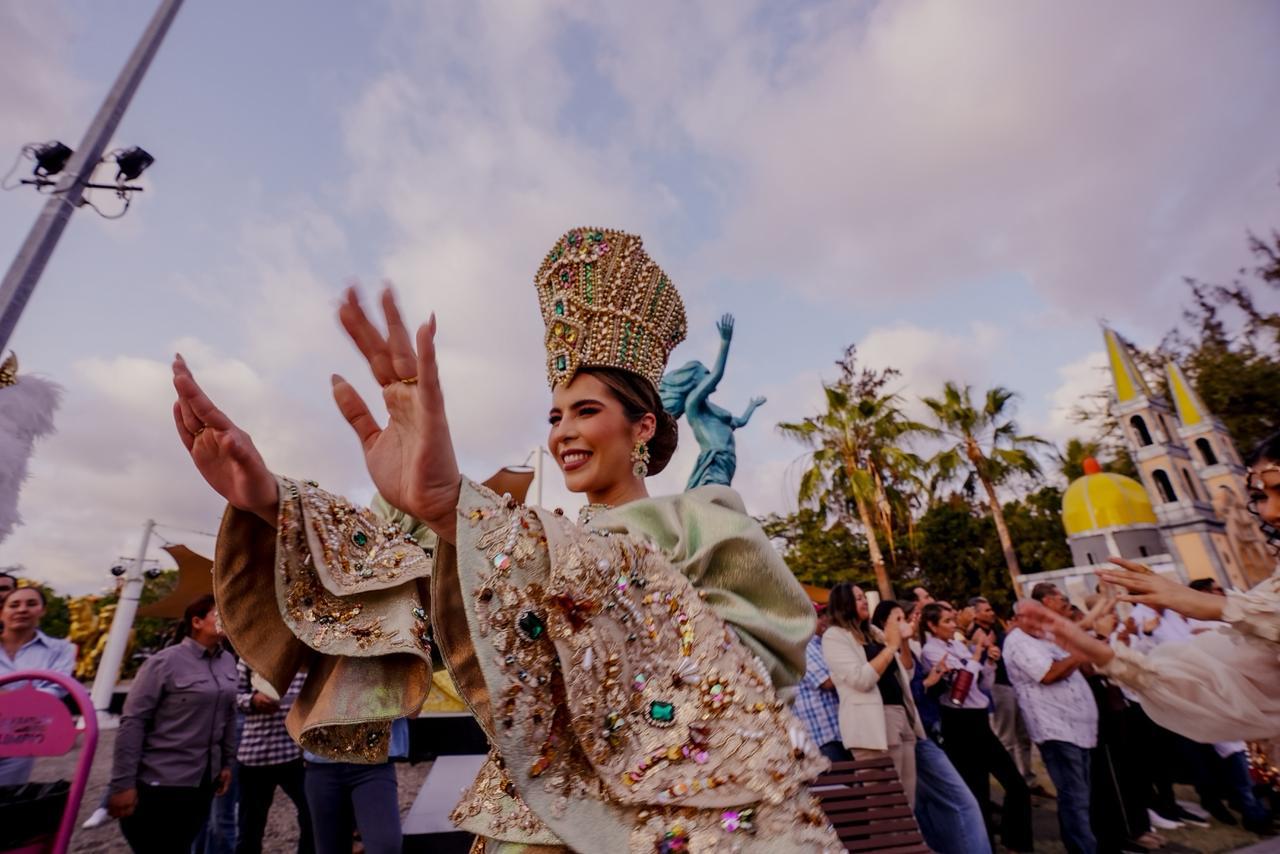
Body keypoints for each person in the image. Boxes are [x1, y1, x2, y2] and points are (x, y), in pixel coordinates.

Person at [172, 227, 840, 852]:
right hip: (524, 824)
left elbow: (754, 664)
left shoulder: (706, 519)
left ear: (643, 427)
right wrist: (275, 502)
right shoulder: (531, 543)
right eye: (555, 415)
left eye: (586, 411)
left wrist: (463, 513)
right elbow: (403, 584)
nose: (564, 432)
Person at [1019, 429, 1280, 746]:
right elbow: (1224, 689)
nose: (1270, 512)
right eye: (1261, 497)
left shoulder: (1253, 607)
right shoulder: (1268, 595)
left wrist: (1215, 606)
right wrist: (1104, 654)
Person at [108, 595, 238, 854]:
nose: (227, 618)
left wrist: (226, 762)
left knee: (183, 843)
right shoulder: (163, 662)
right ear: (197, 622)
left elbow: (229, 716)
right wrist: (123, 784)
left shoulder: (227, 661)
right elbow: (133, 722)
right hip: (161, 781)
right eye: (219, 613)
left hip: (203, 780)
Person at [920, 602, 1033, 851]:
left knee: (1016, 785)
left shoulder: (957, 645)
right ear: (931, 625)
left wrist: (988, 663)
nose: (953, 625)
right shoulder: (931, 651)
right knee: (977, 791)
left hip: (979, 719)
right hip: (959, 723)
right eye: (947, 621)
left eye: (953, 620)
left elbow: (981, 685)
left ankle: (1016, 842)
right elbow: (960, 688)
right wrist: (977, 654)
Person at [1004, 585, 1098, 854]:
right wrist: (1080, 653)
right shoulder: (1018, 642)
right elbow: (1048, 674)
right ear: (1019, 619)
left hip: (1080, 729)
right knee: (1074, 798)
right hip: (1056, 730)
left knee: (1083, 797)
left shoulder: (1048, 638)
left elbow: (1086, 670)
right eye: (1033, 616)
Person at [822, 586, 923, 805]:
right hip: (873, 727)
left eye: (864, 598)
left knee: (907, 803)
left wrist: (903, 642)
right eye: (858, 598)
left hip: (901, 717)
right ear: (844, 604)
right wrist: (891, 647)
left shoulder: (874, 633)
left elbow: (906, 672)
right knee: (887, 805)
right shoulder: (834, 637)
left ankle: (907, 840)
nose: (864, 602)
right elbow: (861, 680)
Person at [0, 585, 76, 785]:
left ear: (43, 610)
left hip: (18, 737)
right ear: (2, 612)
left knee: (7, 797)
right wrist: (27, 697)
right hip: (22, 725)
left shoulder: (61, 649)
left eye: (31, 604)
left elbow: (55, 690)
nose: (22, 609)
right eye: (14, 605)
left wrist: (7, 697)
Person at [235, 663, 313, 854]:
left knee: (312, 817)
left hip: (295, 753)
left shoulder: (305, 655)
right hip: (255, 754)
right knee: (250, 828)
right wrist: (252, 700)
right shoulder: (250, 655)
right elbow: (232, 694)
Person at [969, 595, 1040, 794]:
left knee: (1023, 735)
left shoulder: (997, 632)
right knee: (1006, 737)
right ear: (975, 615)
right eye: (986, 610)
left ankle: (1028, 779)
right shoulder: (975, 634)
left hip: (1012, 684)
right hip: (997, 687)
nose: (991, 613)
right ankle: (1012, 783)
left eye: (991, 610)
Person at [794, 603, 848, 763]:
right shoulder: (805, 646)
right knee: (841, 785)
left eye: (825, 615)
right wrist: (856, 670)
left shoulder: (820, 644)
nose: (825, 619)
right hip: (825, 737)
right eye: (818, 616)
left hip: (836, 734)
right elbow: (827, 682)